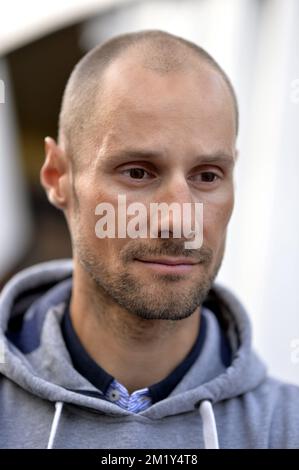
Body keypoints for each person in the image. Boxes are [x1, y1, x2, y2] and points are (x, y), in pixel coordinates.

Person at [0, 30, 298, 450]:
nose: (179, 220)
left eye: (207, 176)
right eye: (138, 172)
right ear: (59, 177)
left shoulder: (286, 428)